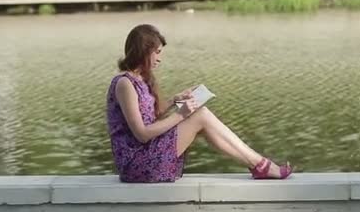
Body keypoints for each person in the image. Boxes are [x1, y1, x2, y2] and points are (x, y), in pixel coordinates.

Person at [106, 24, 293, 182]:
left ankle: (257, 165)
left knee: (201, 119)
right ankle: (261, 165)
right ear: (143, 51)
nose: (159, 58)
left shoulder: (139, 80)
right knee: (200, 116)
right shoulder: (125, 84)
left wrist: (175, 100)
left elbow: (149, 117)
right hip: (137, 163)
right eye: (157, 52)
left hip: (147, 156)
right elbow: (142, 134)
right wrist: (182, 114)